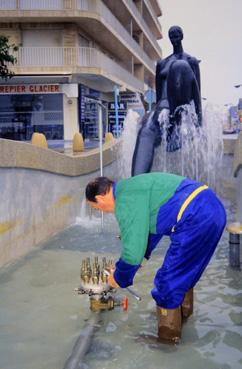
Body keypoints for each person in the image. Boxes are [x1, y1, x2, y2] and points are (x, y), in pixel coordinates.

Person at [85, 173, 226, 344]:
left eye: (97, 208)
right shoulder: (132, 187)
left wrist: (119, 278)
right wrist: (139, 261)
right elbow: (151, 229)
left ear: (100, 198)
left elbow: (132, 252)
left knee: (167, 282)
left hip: (195, 217)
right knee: (184, 274)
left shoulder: (124, 200)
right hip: (213, 209)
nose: (101, 212)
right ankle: (181, 318)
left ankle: (167, 340)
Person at [132, 26, 202, 175]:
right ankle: (136, 183)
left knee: (180, 67)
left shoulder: (191, 61)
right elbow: (158, 95)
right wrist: (153, 115)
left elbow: (196, 91)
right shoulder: (162, 64)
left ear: (182, 36)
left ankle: (175, 130)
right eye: (171, 36)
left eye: (176, 35)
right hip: (163, 106)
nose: (174, 39)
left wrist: (198, 122)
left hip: (182, 106)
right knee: (145, 131)